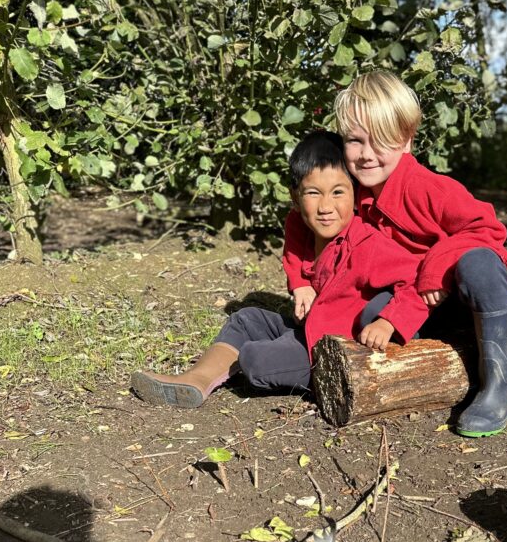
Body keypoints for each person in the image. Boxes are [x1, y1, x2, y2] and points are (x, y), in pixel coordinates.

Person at [284, 70, 507, 438]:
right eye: (354, 141)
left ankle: (497, 384)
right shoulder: (353, 192)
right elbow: (300, 218)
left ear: (407, 140)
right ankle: (452, 349)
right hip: (415, 299)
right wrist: (301, 282)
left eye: (380, 141)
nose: (366, 155)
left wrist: (436, 266)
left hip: (459, 292)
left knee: (479, 263)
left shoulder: (428, 189)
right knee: (370, 310)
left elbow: (488, 228)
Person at [131, 132, 428, 407]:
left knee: (255, 359)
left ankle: (318, 378)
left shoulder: (367, 244)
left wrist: (389, 322)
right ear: (295, 197)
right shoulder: (300, 225)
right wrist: (300, 284)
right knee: (246, 319)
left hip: (332, 349)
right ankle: (195, 380)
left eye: (338, 192)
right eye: (313, 193)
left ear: (356, 192)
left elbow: (416, 279)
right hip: (309, 327)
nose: (326, 206)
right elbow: (294, 254)